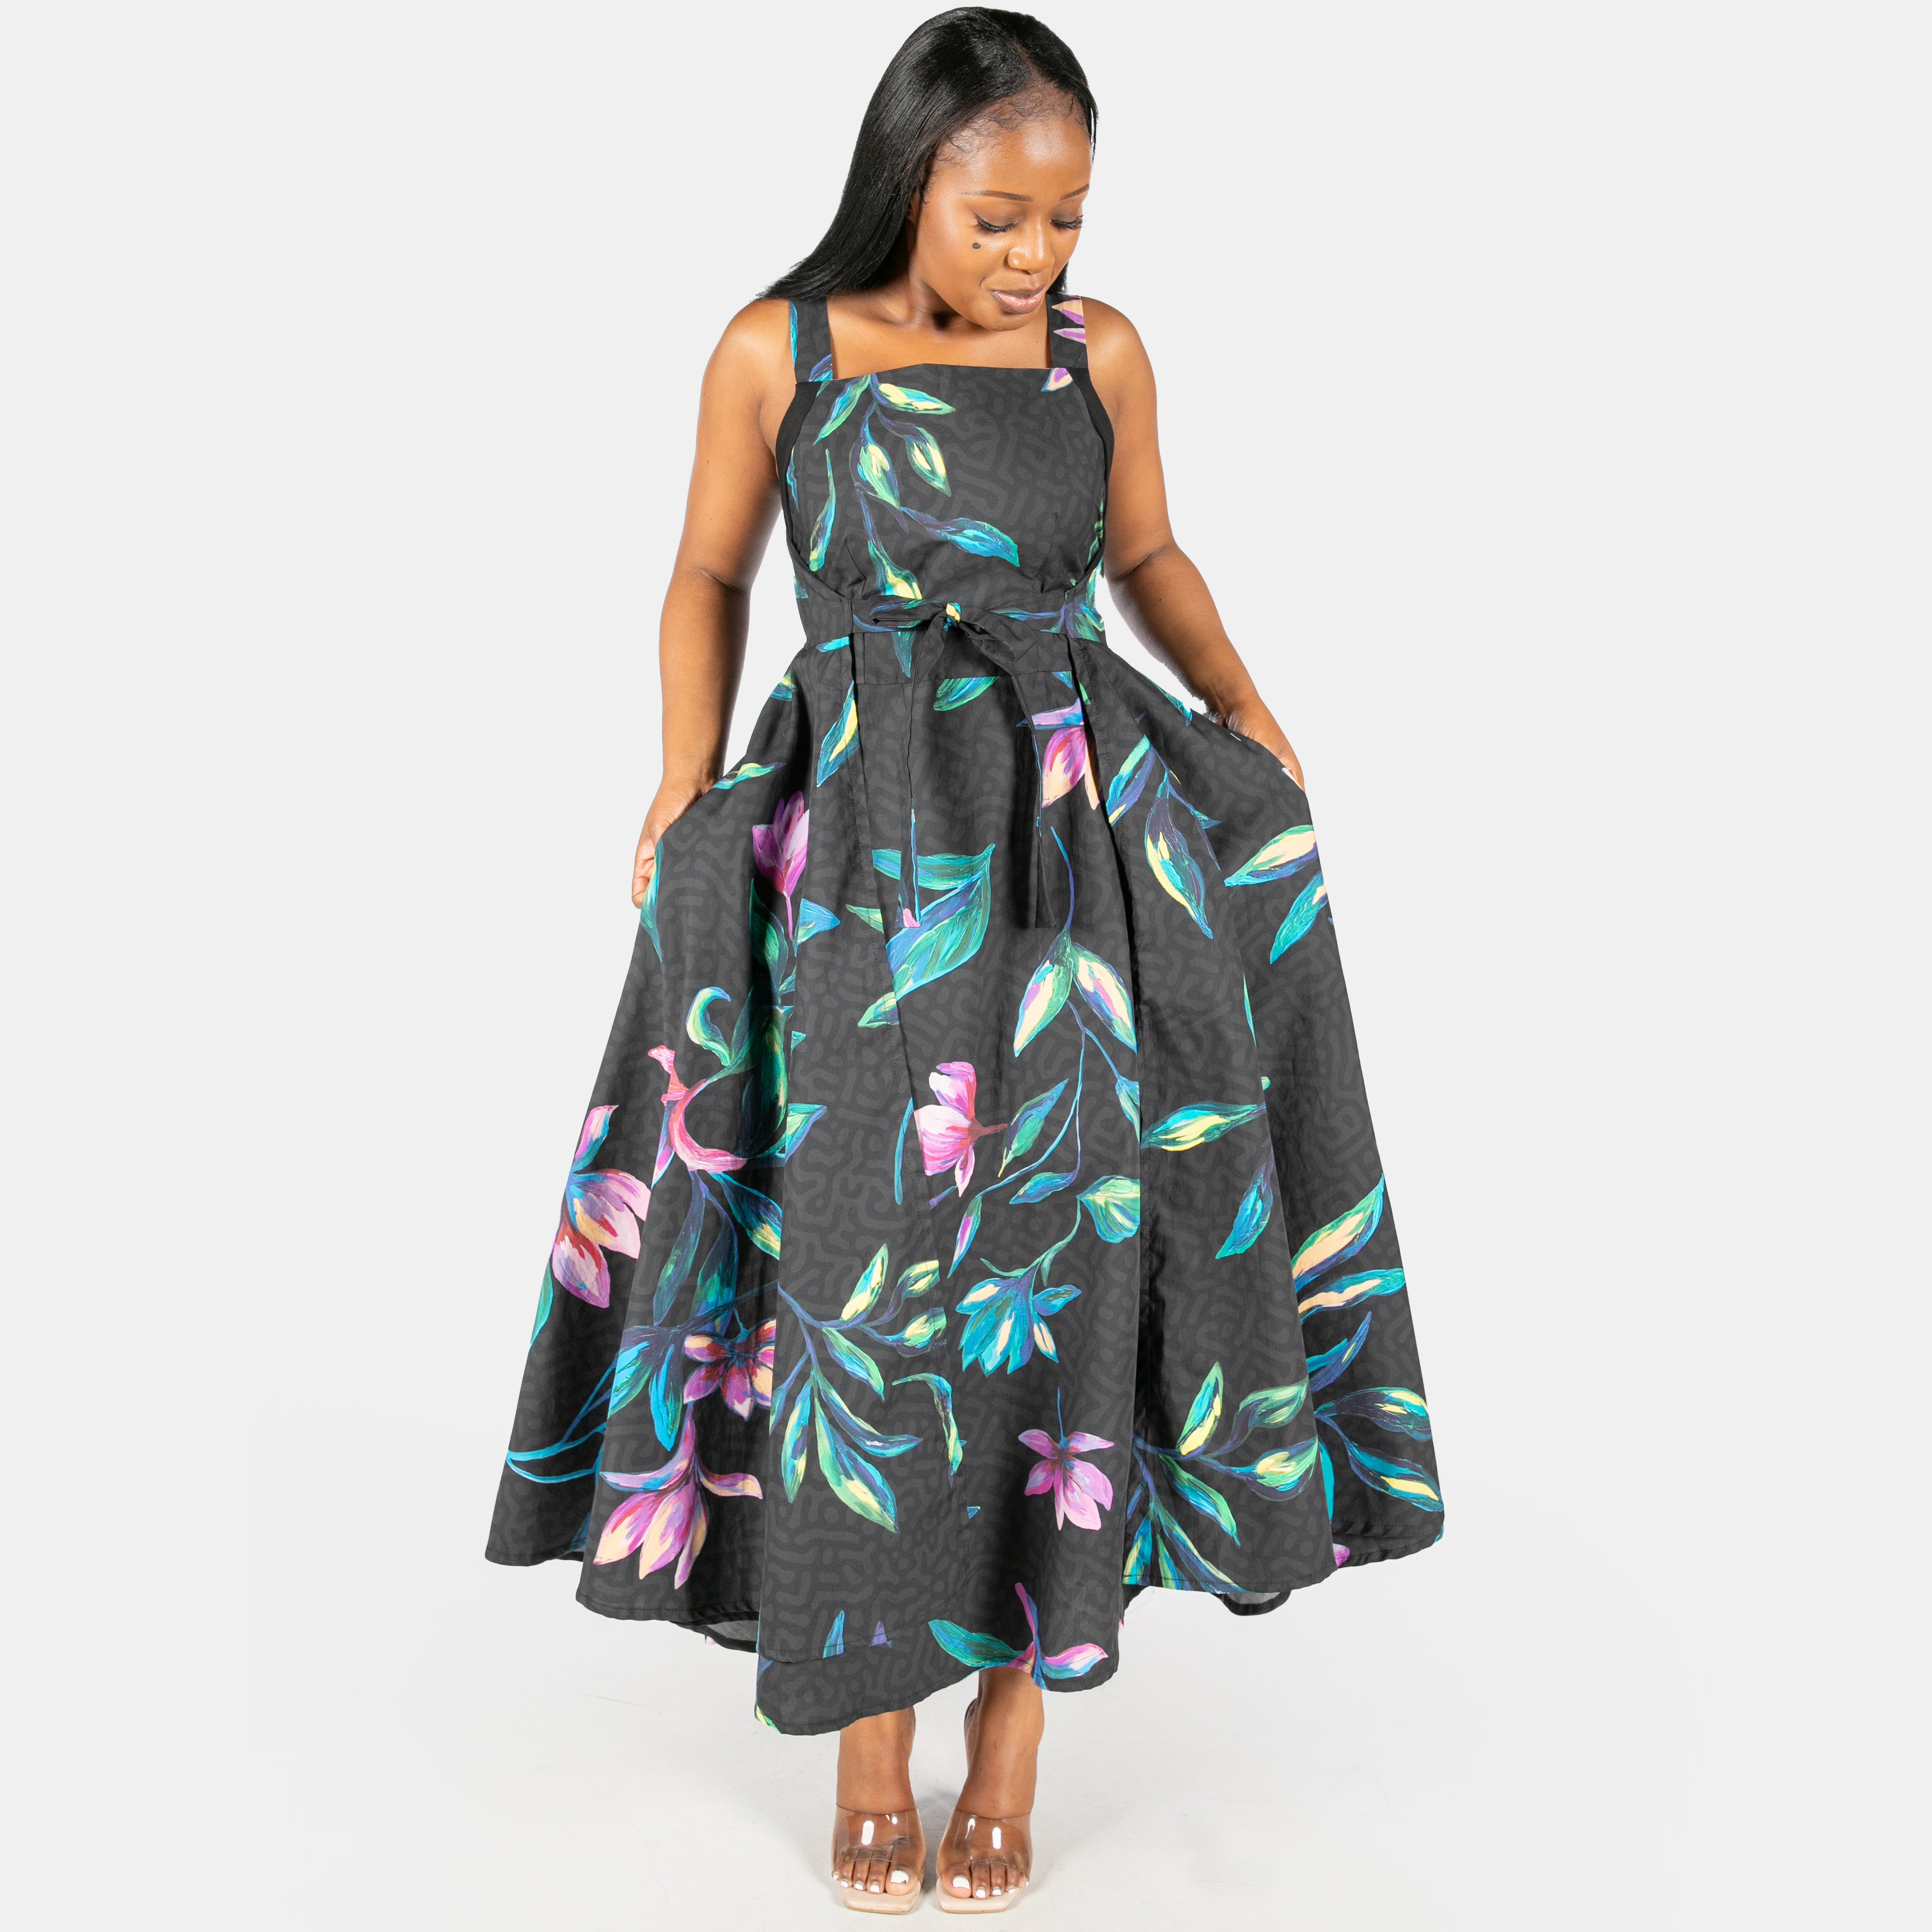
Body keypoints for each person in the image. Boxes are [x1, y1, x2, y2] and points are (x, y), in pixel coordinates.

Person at [487, 7, 1443, 1913]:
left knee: (1067, 1247)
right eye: (1000, 217)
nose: (1037, 255)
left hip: (1075, 837)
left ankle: (1010, 1742)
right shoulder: (779, 350)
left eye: (1067, 219)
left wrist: (1243, 700)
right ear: (911, 175)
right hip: (858, 841)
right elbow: (708, 571)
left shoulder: (1102, 354)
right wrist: (681, 779)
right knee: (867, 1261)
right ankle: (869, 1730)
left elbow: (1147, 554)